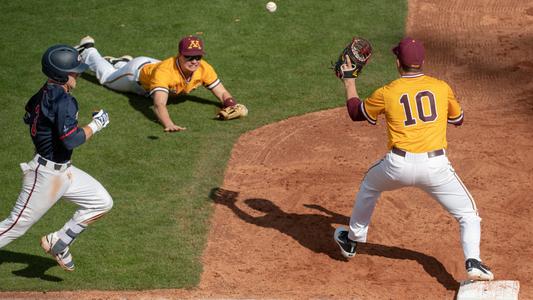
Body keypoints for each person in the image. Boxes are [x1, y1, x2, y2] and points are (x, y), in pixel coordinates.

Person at [333, 37, 494, 281]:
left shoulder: (387, 92)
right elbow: (458, 119)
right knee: (468, 215)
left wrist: (349, 81)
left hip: (396, 166)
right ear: (422, 63)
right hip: (436, 168)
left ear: (398, 63)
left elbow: (356, 113)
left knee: (369, 185)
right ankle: (473, 262)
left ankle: (352, 240)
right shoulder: (441, 87)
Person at [0, 45, 113, 272]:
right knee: (15, 226)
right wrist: (97, 125)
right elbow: (71, 140)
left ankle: (58, 242)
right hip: (45, 177)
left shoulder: (42, 93)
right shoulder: (64, 101)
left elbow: (29, 113)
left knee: (101, 202)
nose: (78, 74)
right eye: (74, 71)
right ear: (61, 74)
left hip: (64, 172)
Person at [74, 35, 243, 132]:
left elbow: (221, 92)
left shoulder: (204, 68)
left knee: (120, 71)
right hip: (136, 75)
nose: (194, 61)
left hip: (152, 68)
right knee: (107, 78)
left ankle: (120, 62)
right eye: (189, 57)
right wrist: (169, 124)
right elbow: (159, 104)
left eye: (198, 56)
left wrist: (231, 104)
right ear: (180, 55)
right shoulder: (165, 72)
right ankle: (88, 50)